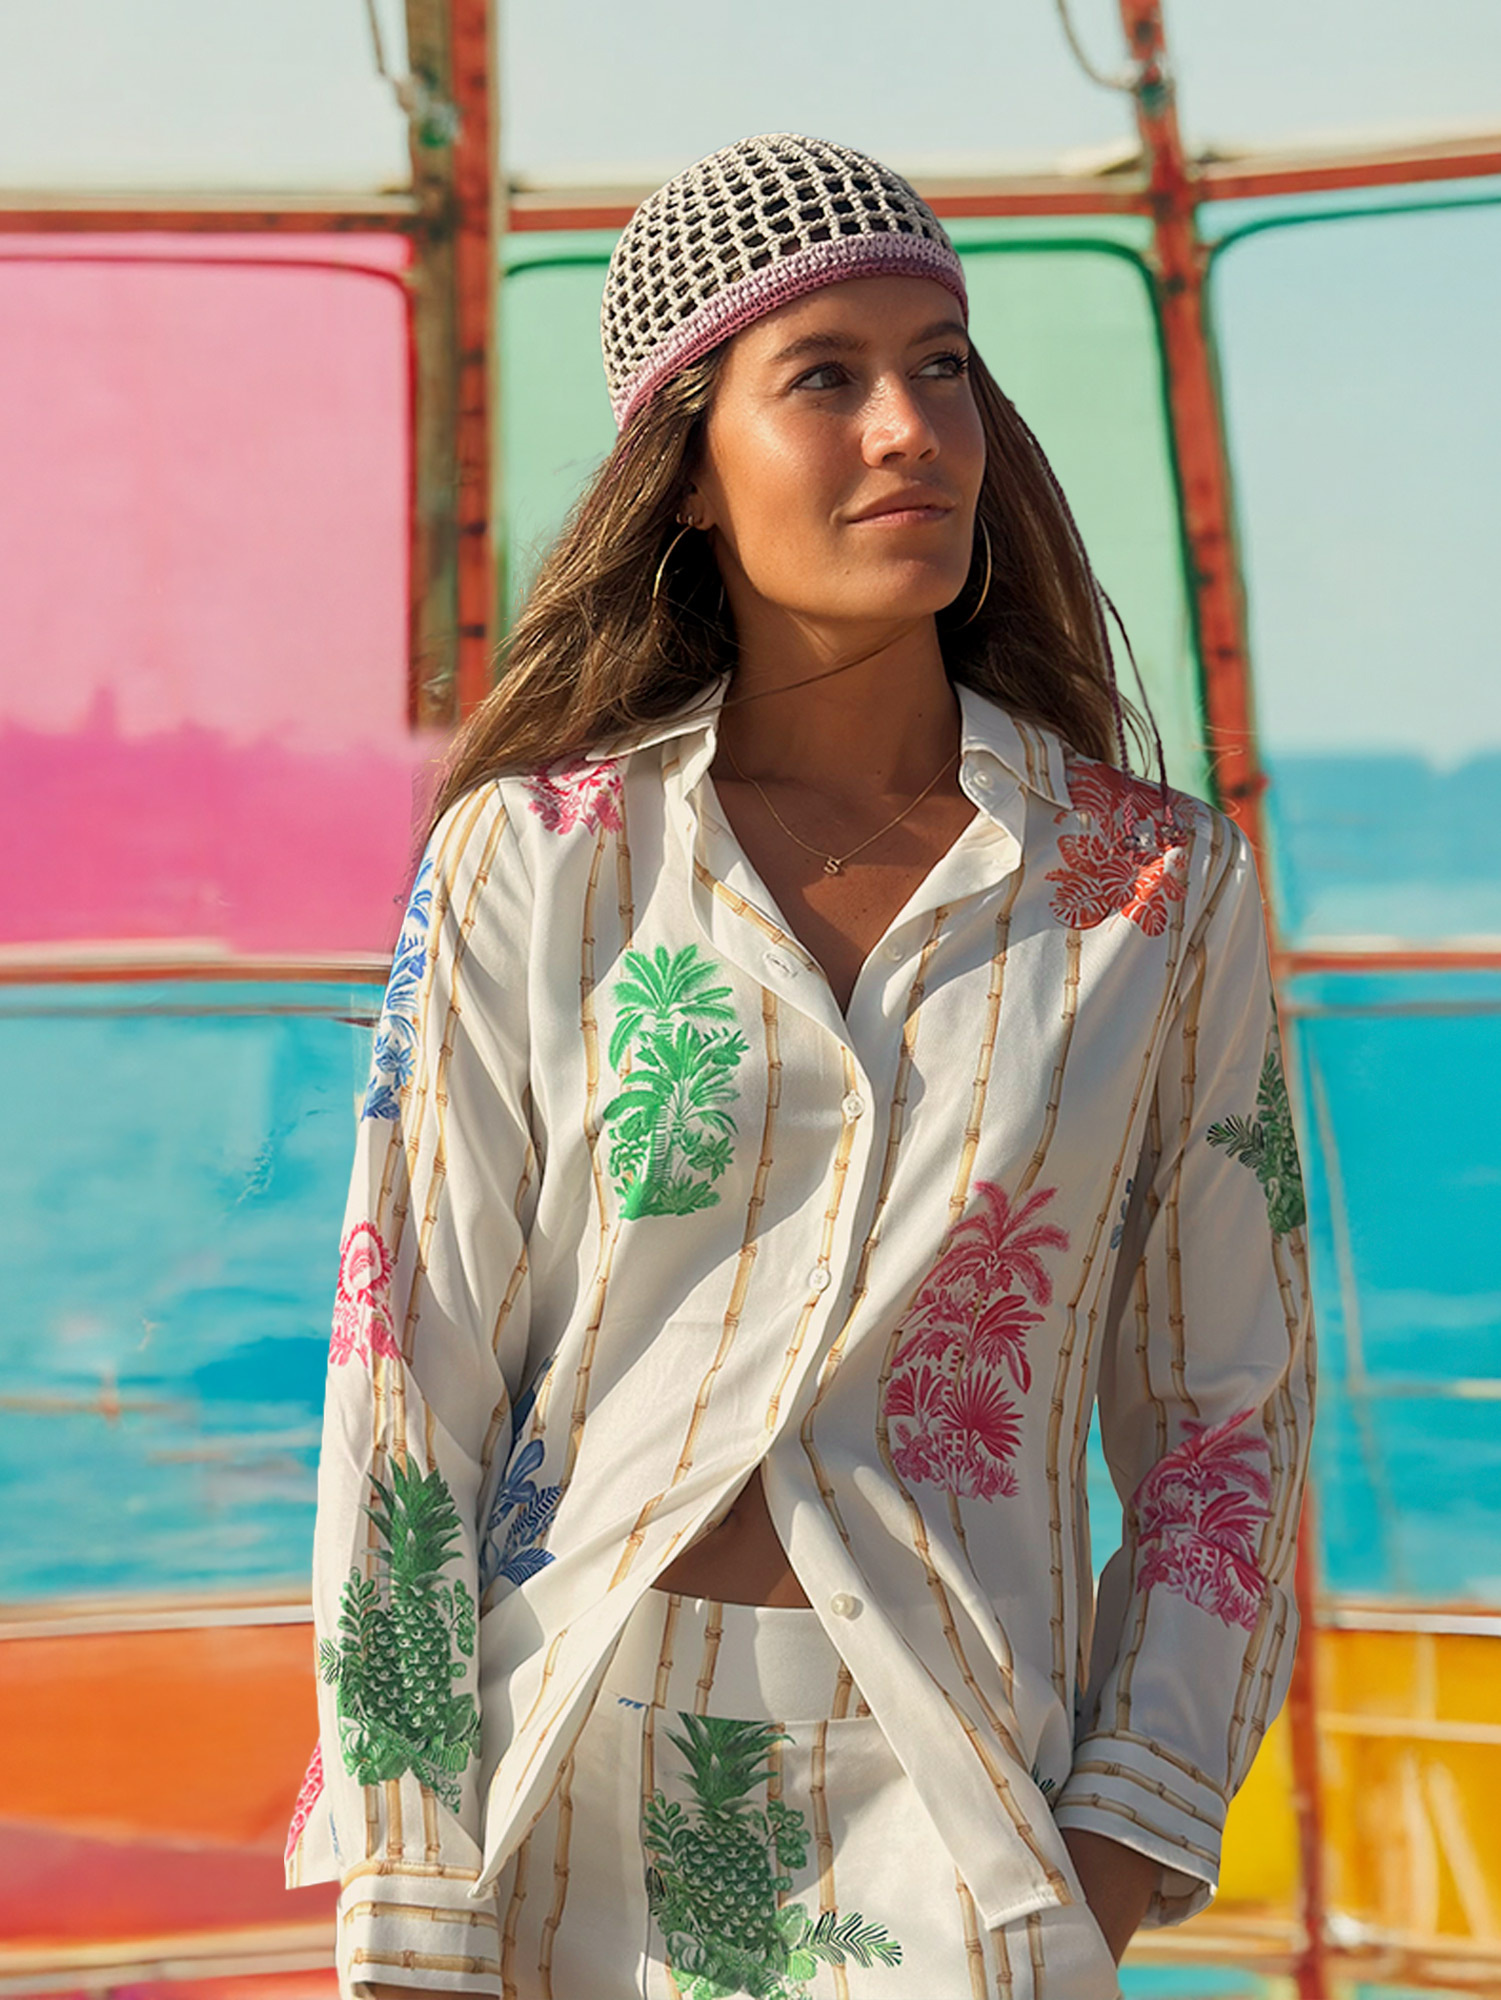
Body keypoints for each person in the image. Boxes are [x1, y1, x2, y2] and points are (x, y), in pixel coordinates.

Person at [285, 134, 1314, 2000]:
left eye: (941, 366)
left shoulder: (1150, 891)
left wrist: (1117, 1845)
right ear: (687, 466)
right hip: (552, 1808)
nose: (910, 430)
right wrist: (411, 1875)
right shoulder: (543, 859)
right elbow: (407, 1377)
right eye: (823, 377)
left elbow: (1222, 1414)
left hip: (965, 1830)